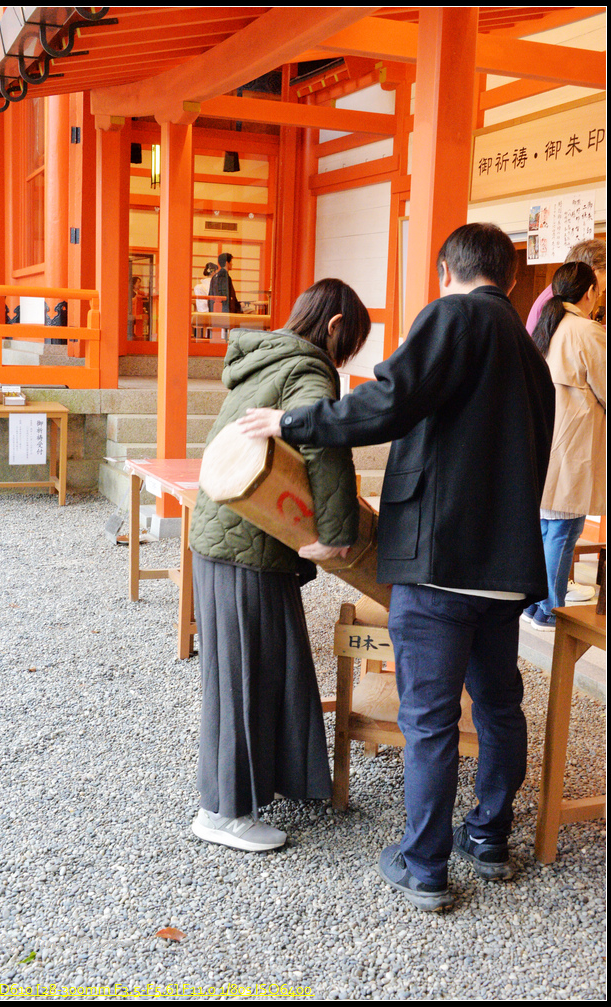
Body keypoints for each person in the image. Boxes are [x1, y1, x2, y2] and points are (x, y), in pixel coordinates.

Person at [237, 223, 555, 910]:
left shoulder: (452, 315)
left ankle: (424, 864)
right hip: (505, 565)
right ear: (507, 276)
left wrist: (292, 422)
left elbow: (389, 399)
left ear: (446, 270)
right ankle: (489, 837)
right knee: (499, 707)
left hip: (439, 560)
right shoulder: (531, 350)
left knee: (430, 718)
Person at [189, 278, 372, 853]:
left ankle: (272, 783)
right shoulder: (308, 368)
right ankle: (224, 812)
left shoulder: (263, 359)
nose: (344, 359)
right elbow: (324, 443)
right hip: (248, 539)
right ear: (335, 326)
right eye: (349, 345)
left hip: (225, 531)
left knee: (265, 665)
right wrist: (337, 535)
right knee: (245, 674)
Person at [522, 262, 606, 631]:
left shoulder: (547, 326)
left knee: (545, 528)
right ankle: (550, 610)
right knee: (563, 532)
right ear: (589, 292)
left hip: (544, 440)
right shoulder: (586, 330)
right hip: (572, 446)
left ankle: (532, 605)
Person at [525, 238, 606, 335]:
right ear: (593, 271)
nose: (602, 292)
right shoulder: (560, 298)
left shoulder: (564, 292)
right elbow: (586, 335)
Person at [194, 262, 218, 339]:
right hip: (214, 313)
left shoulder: (199, 287)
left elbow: (201, 306)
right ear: (213, 272)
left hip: (203, 312)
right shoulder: (215, 286)